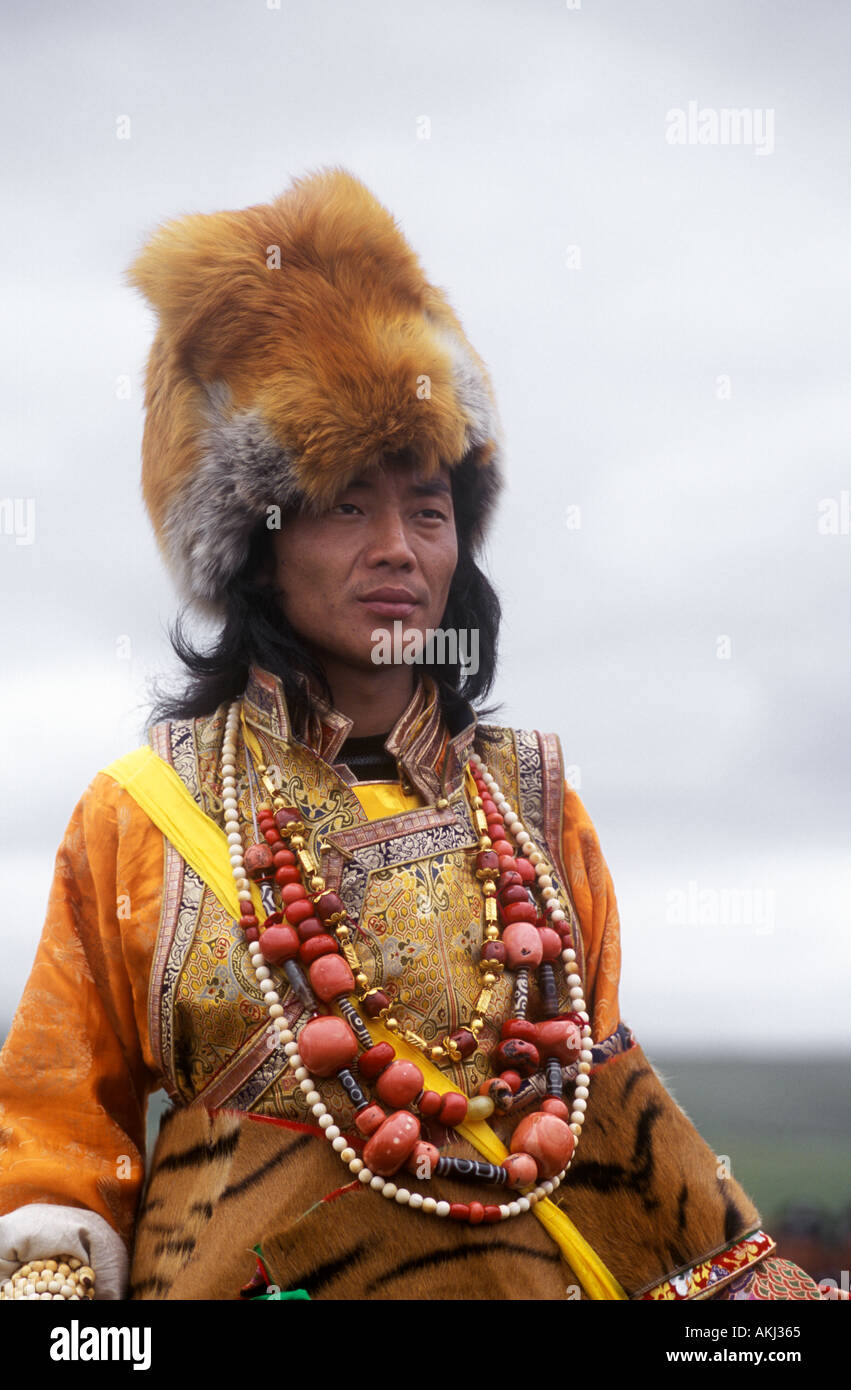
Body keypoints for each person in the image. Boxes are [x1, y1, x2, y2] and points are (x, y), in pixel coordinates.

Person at [0, 167, 832, 1302]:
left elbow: (589, 1112)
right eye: (347, 503)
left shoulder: (537, 805)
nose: (397, 547)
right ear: (256, 541)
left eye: (428, 510)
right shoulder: (138, 818)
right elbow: (55, 1134)